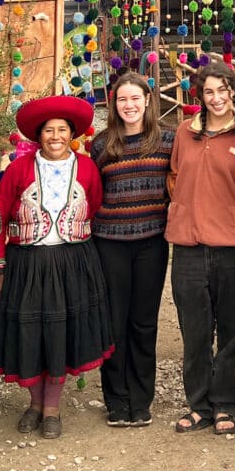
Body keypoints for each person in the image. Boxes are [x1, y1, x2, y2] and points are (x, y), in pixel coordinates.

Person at [0, 95, 113, 440]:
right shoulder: (18, 169)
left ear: (71, 133)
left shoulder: (87, 168)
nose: (55, 136)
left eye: (61, 130)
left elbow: (94, 205)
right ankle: (34, 403)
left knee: (61, 331)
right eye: (48, 130)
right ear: (38, 136)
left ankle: (53, 408)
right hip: (27, 263)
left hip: (71, 260)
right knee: (30, 332)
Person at [165, 61, 235, 435]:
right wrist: (183, 209)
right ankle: (198, 405)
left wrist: (234, 216)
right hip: (186, 245)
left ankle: (225, 406)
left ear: (234, 92)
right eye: (208, 92)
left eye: (222, 90)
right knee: (195, 332)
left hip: (231, 247)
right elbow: (173, 177)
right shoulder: (186, 132)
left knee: (231, 331)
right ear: (199, 96)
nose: (216, 98)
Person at [90, 73, 175, 428]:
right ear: (114, 104)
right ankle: (116, 400)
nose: (129, 105)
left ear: (147, 100)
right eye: (122, 99)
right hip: (110, 243)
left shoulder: (167, 140)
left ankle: (141, 399)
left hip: (151, 243)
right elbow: (90, 191)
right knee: (114, 321)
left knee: (143, 322)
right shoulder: (101, 144)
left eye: (135, 98)